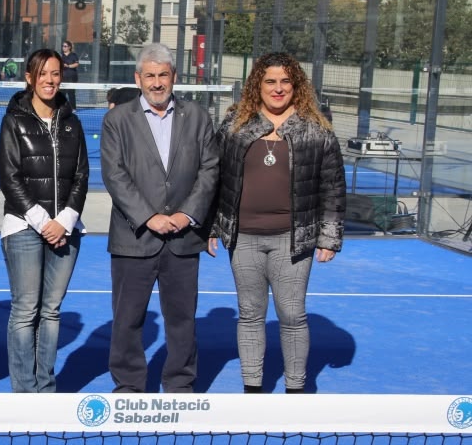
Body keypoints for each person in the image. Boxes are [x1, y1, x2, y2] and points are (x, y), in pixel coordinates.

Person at [208, 52, 346, 394]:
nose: (278, 88)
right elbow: (215, 177)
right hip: (243, 239)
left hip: (293, 239)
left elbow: (332, 184)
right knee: (250, 313)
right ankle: (252, 389)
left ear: (296, 86)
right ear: (258, 85)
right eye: (270, 81)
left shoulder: (316, 130)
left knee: (293, 315)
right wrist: (212, 225)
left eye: (286, 81)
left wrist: (328, 238)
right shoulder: (235, 126)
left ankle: (296, 389)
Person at [101, 43, 218, 393]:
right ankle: (129, 386)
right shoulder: (116, 121)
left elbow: (210, 170)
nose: (156, 83)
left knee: (182, 320)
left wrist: (187, 215)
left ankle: (180, 384)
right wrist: (149, 217)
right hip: (133, 238)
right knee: (127, 320)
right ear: (138, 79)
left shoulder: (197, 116)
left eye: (162, 75)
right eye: (149, 75)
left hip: (183, 239)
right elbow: (114, 175)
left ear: (174, 78)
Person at [0, 48, 88, 393]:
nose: (50, 80)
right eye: (43, 74)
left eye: (55, 73)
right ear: (30, 78)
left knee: (50, 311)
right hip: (23, 228)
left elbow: (81, 175)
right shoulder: (13, 121)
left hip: (66, 230)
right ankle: (24, 390)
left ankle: (45, 387)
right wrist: (42, 221)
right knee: (25, 310)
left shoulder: (72, 122)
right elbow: (10, 177)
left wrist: (64, 220)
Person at [60, 40, 79, 109]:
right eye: (63, 46)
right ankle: (62, 107)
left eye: (65, 46)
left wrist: (68, 66)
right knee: (62, 93)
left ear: (69, 47)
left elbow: (76, 64)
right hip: (63, 77)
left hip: (72, 77)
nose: (63, 48)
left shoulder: (74, 55)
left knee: (71, 93)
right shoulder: (60, 55)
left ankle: (73, 108)